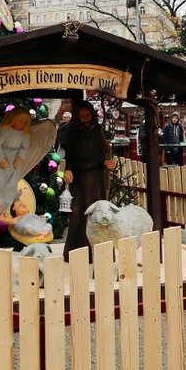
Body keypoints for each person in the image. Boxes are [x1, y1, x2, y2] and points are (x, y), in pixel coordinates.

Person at [62, 102, 114, 260]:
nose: (85, 117)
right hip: (78, 177)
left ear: (92, 114)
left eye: (87, 114)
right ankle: (76, 249)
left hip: (96, 177)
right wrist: (68, 168)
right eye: (82, 115)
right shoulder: (73, 132)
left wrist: (106, 162)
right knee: (78, 212)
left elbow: (105, 150)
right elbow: (69, 154)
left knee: (97, 211)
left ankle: (99, 251)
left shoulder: (99, 131)